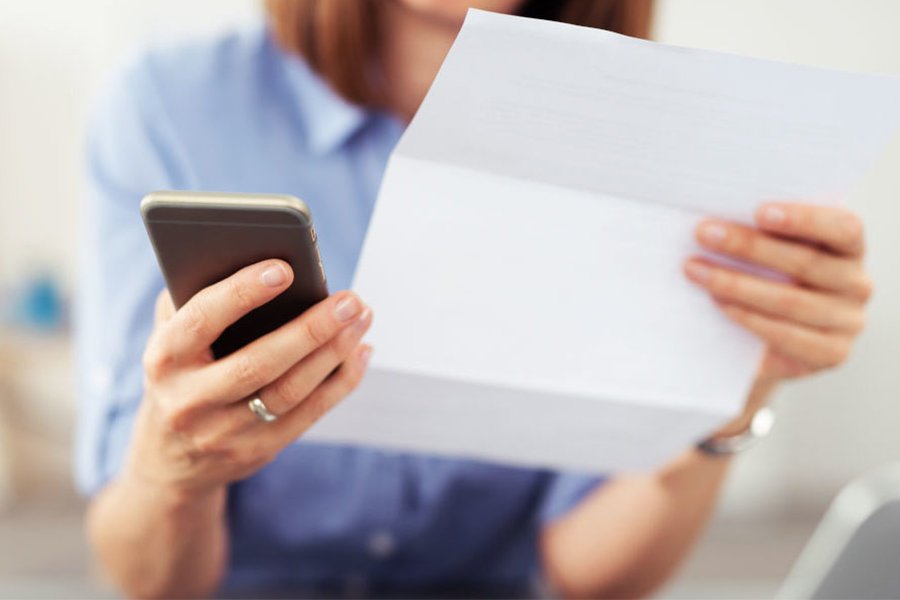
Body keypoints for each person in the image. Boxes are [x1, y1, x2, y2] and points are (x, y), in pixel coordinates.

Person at [75, 0, 872, 597]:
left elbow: (584, 570)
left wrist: (740, 378)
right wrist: (174, 471)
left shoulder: (653, 138)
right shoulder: (168, 107)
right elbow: (147, 577)